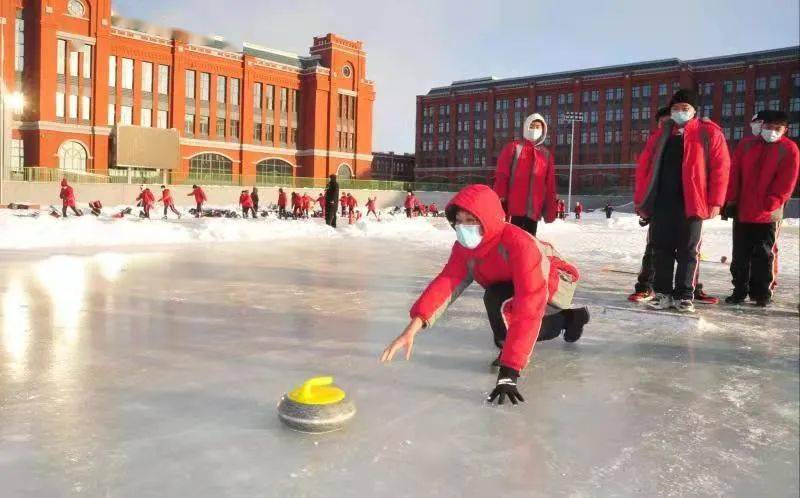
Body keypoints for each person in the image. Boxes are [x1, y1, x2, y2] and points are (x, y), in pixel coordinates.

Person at [380, 185, 590, 405]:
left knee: (504, 304)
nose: (463, 227)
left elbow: (530, 306)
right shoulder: (464, 248)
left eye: (471, 220)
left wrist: (510, 370)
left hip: (556, 280)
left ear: (488, 219)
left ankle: (566, 319)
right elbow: (446, 283)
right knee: (495, 297)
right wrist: (412, 328)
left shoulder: (519, 245)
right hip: (507, 286)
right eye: (459, 221)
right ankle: (565, 321)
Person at [634, 89, 730, 313]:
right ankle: (663, 293)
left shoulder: (709, 134)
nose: (679, 113)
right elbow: (644, 170)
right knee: (660, 249)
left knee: (688, 250)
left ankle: (685, 294)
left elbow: (721, 169)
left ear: (695, 111)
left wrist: (716, 201)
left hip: (692, 202)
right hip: (662, 202)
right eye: (675, 109)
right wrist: (641, 200)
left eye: (684, 108)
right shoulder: (660, 135)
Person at [723, 110, 799, 307]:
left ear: (785, 130)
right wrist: (731, 200)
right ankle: (739, 290)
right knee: (740, 254)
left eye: (777, 129)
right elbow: (735, 173)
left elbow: (787, 182)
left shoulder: (789, 149)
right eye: (768, 127)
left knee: (764, 254)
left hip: (769, 214)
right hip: (743, 210)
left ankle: (762, 292)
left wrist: (772, 203)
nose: (771, 131)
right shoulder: (746, 145)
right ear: (762, 126)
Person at [492, 112, 557, 236]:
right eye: (532, 126)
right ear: (526, 127)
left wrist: (549, 210)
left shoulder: (546, 155)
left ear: (543, 130)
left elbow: (550, 185)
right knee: (512, 241)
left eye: (538, 127)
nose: (534, 129)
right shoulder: (514, 148)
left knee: (529, 244)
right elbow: (502, 174)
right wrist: (500, 198)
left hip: (533, 211)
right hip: (513, 208)